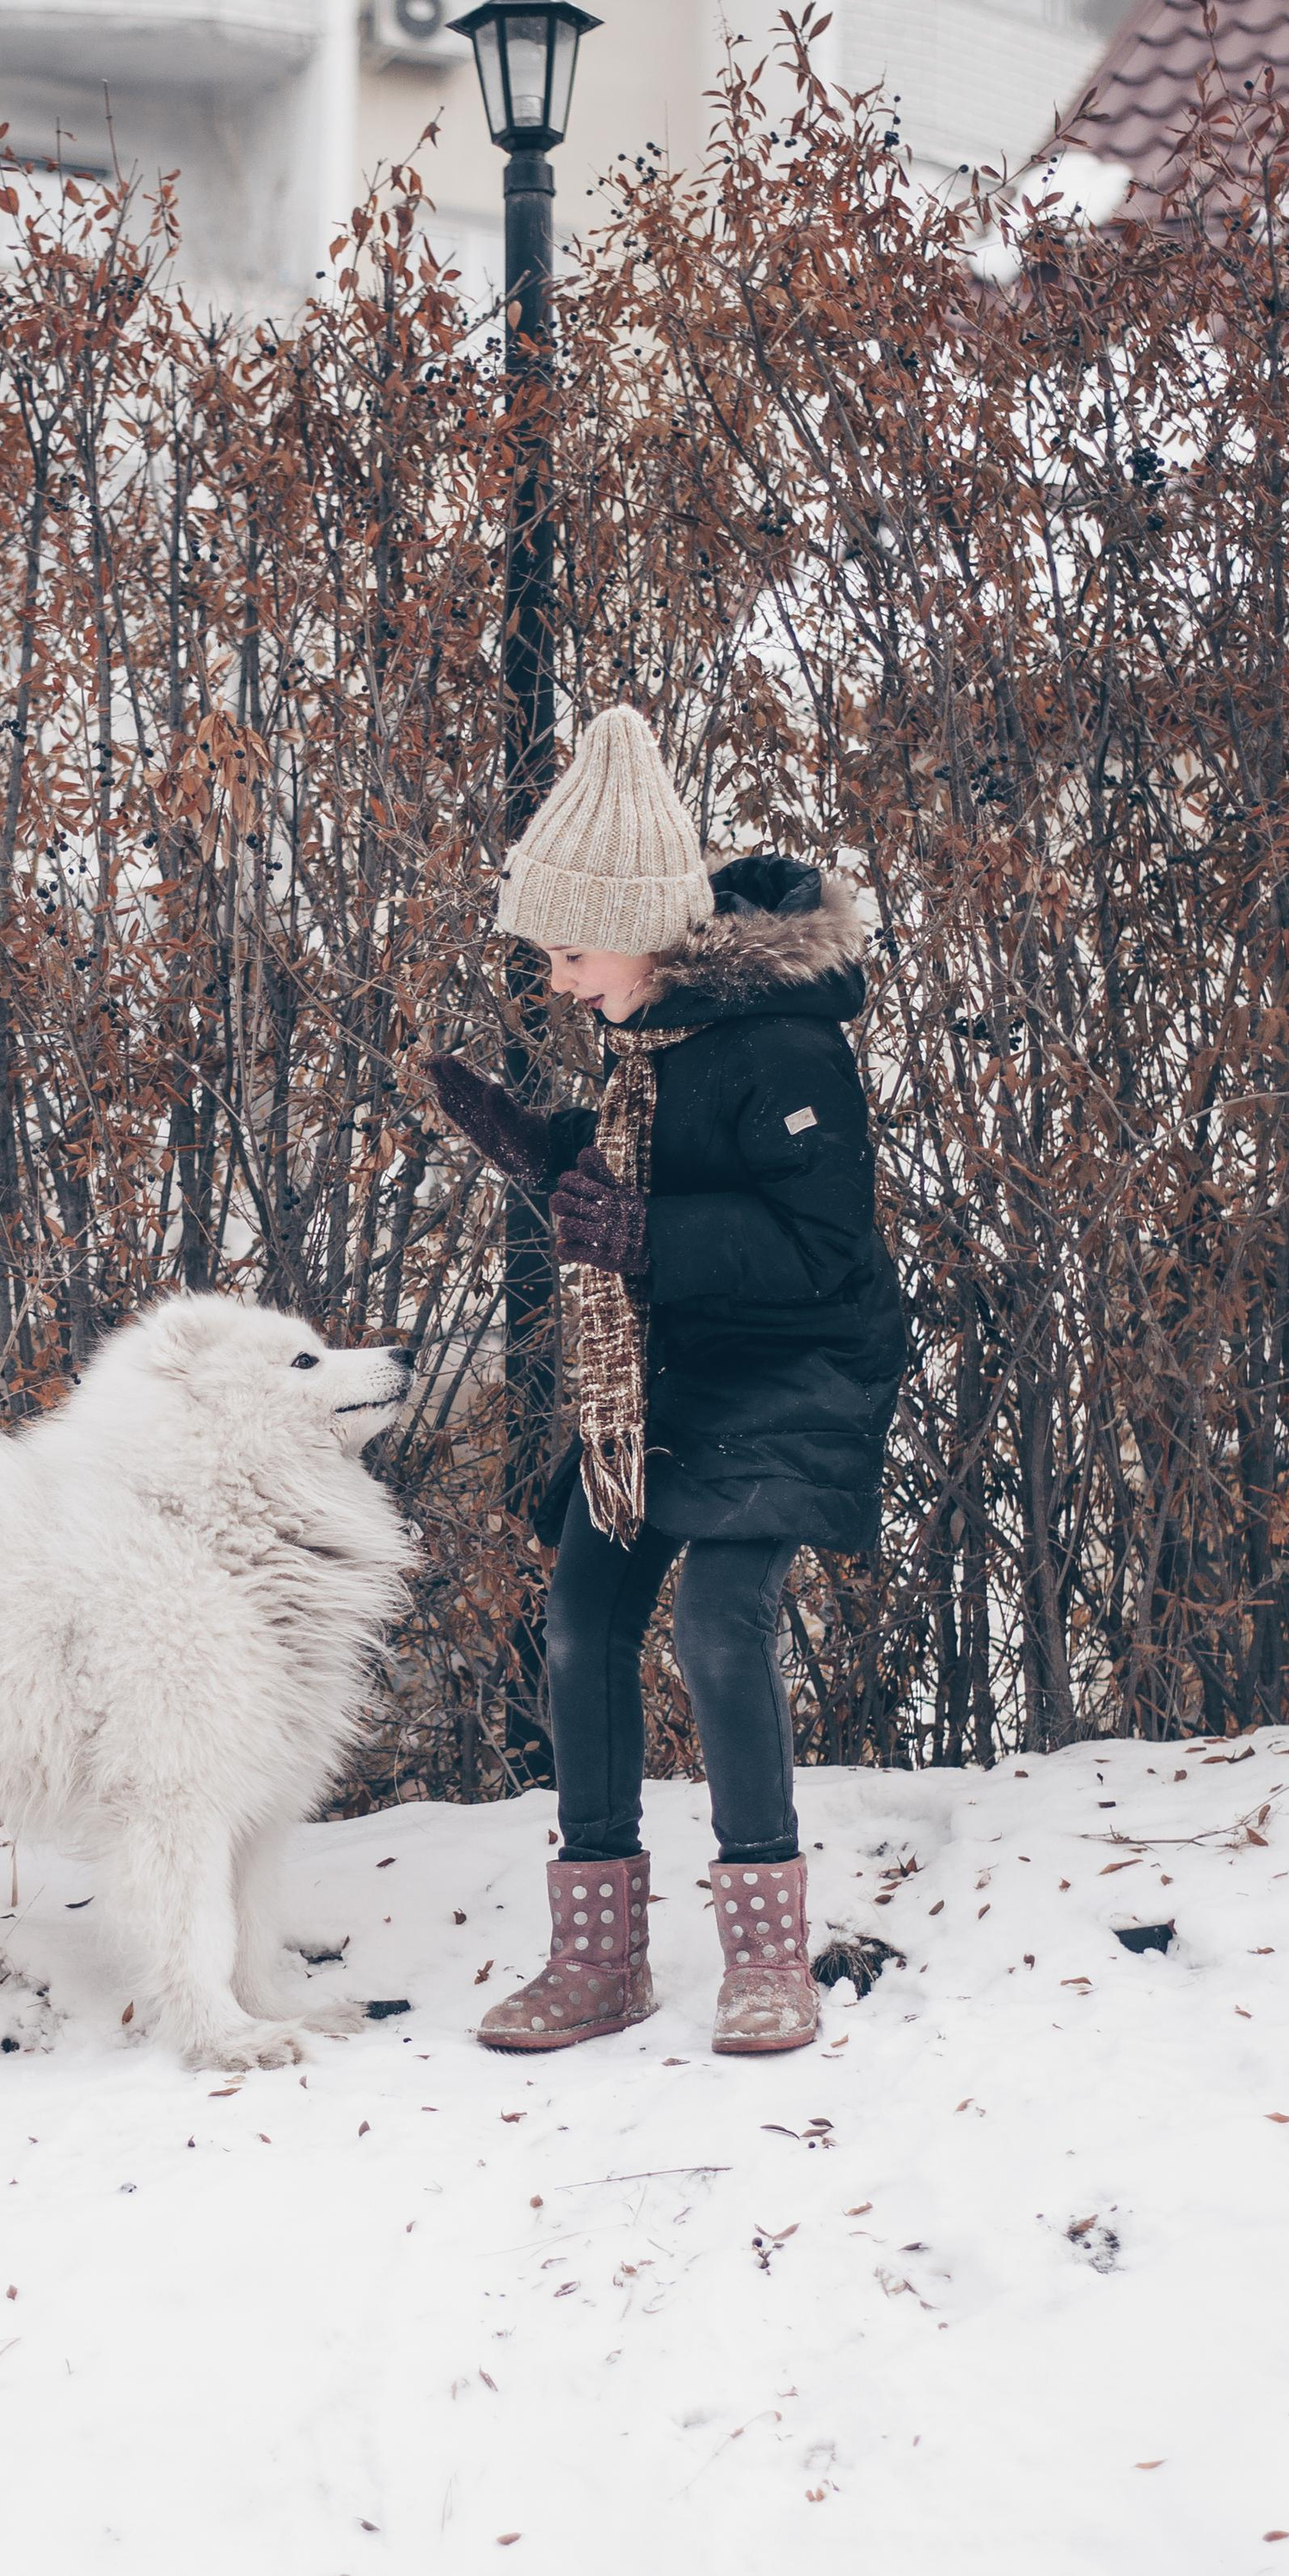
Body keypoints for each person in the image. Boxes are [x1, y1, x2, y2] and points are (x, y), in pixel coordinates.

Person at [427, 707, 905, 2058]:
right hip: (663, 1375)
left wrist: (639, 1233)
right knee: (580, 1624)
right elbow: (660, 1168)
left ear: (643, 924)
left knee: (716, 1625)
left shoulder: (787, 1048)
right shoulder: (653, 1030)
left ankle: (767, 1954)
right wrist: (546, 1150)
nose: (563, 982)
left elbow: (819, 1250)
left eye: (573, 952)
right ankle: (599, 1960)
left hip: (796, 1369)